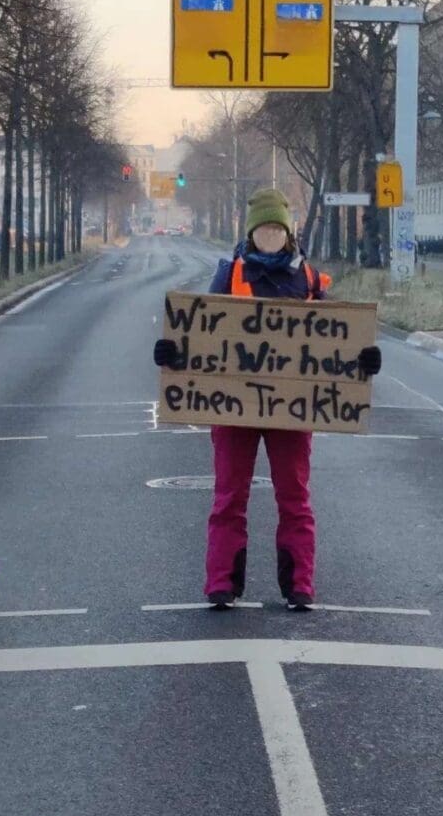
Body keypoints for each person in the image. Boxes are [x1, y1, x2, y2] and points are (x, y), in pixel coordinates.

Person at [154, 187, 382, 611]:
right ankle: (221, 583)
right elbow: (200, 330)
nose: (271, 236)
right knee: (228, 498)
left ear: (289, 233)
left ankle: (299, 585)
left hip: (290, 412)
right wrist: (173, 353)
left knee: (294, 498)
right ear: (252, 233)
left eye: (278, 229)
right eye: (265, 229)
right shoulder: (229, 275)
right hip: (233, 408)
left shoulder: (307, 278)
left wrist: (362, 359)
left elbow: (336, 338)